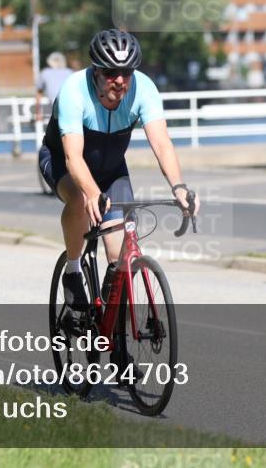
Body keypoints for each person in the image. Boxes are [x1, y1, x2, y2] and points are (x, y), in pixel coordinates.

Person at [38, 29, 199, 318]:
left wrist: (179, 187)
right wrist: (91, 193)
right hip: (63, 162)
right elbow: (73, 157)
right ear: (96, 71)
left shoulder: (144, 89)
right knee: (77, 199)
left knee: (119, 259)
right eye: (112, 72)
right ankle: (73, 271)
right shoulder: (74, 90)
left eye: (126, 72)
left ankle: (116, 340)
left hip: (111, 170)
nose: (121, 80)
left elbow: (161, 143)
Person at [35, 52, 73, 123]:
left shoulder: (45, 73)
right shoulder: (70, 72)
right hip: (70, 108)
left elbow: (38, 93)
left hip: (54, 108)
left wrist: (38, 113)